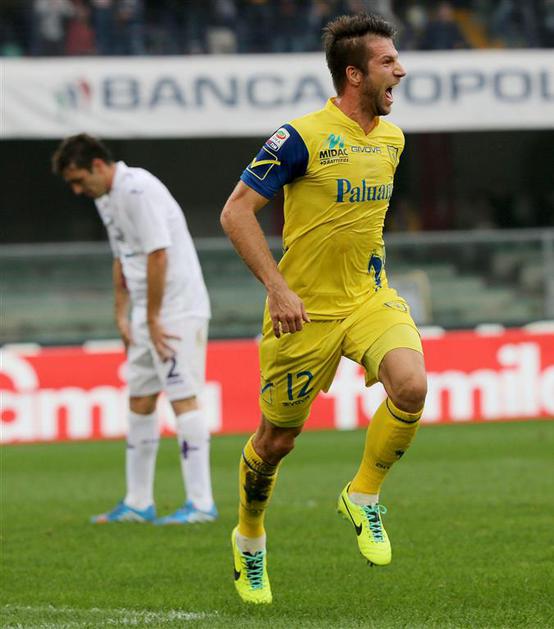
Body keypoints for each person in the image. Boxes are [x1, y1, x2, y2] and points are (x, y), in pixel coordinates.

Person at [220, 12, 427, 604]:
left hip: (369, 297)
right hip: (303, 311)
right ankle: (250, 537)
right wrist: (278, 289)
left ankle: (363, 495)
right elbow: (236, 212)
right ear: (354, 74)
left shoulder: (393, 139)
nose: (400, 71)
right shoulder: (298, 137)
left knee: (411, 386)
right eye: (388, 62)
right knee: (275, 442)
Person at [52, 134, 217, 525]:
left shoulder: (138, 190)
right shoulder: (107, 197)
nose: (77, 191)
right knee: (140, 400)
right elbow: (121, 256)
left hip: (176, 309)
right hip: (147, 312)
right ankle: (139, 502)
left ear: (97, 165)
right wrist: (122, 314)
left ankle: (201, 504)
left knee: (183, 398)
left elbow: (158, 254)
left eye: (79, 180)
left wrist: (154, 319)